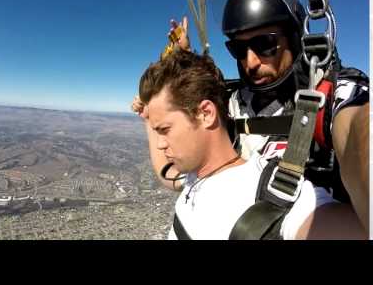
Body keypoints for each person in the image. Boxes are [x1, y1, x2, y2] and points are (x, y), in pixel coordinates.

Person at [133, 0, 369, 235]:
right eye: (238, 49)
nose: (251, 61)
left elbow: (358, 128)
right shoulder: (235, 103)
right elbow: (176, 173)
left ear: (293, 37)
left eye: (265, 44)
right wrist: (182, 64)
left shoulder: (332, 95)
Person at [135, 49, 365, 239]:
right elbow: (165, 175)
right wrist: (149, 121)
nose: (161, 145)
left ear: (206, 113)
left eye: (164, 130)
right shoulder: (195, 176)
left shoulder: (273, 195)